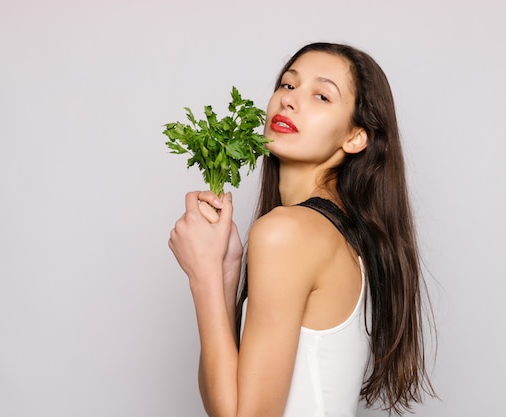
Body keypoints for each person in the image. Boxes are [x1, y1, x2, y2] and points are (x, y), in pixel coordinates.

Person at [168, 42, 435, 417]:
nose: (289, 101)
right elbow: (224, 401)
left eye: (322, 96)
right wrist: (226, 272)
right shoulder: (337, 234)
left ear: (355, 136)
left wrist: (203, 276)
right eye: (288, 85)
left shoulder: (289, 232)